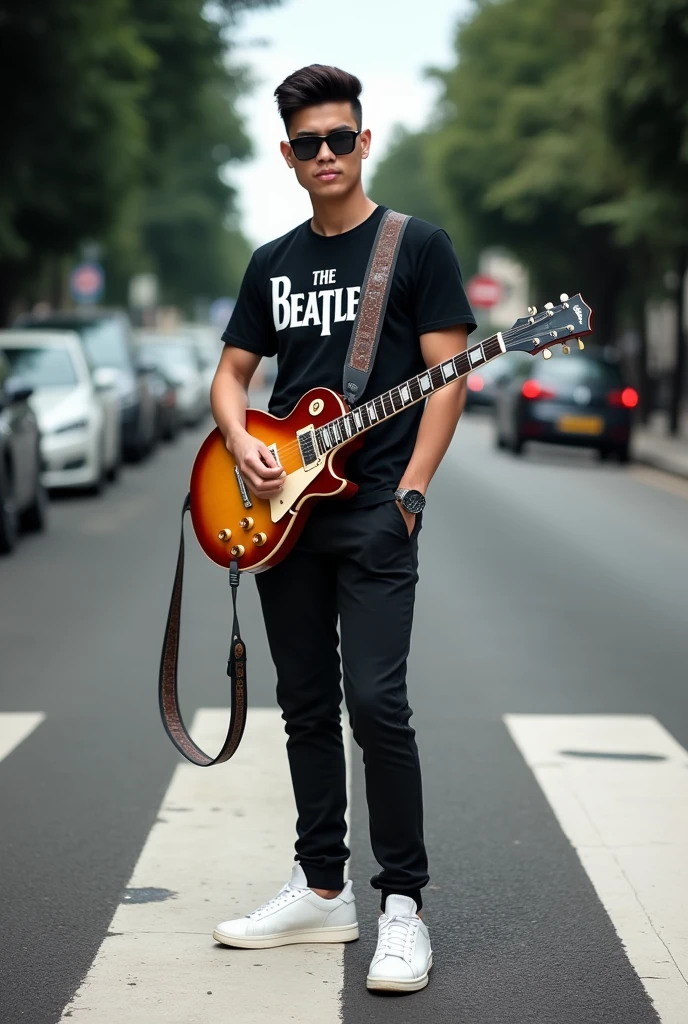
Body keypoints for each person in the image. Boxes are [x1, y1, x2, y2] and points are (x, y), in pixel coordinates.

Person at [209, 64, 476, 994]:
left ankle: (401, 904)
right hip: (283, 520)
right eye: (308, 143)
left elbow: (449, 380)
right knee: (306, 708)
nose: (326, 154)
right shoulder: (272, 262)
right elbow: (232, 375)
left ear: (364, 142)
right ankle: (324, 887)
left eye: (341, 137)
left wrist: (410, 491)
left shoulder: (416, 248)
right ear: (288, 156)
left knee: (377, 703)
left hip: (374, 517)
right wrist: (242, 441)